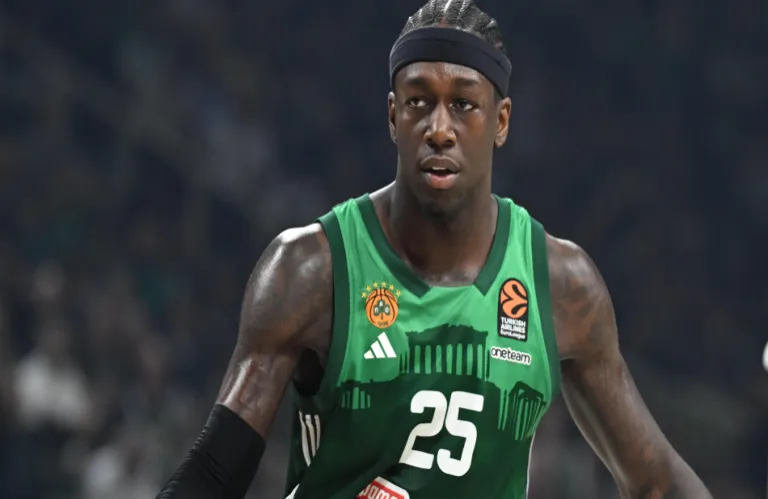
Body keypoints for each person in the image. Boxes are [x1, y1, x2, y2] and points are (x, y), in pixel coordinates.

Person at [157, 1, 712, 498]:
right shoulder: (311, 269)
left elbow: (657, 482)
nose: (439, 129)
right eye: (419, 101)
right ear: (392, 115)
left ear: (501, 121)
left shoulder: (562, 285)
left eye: (464, 104)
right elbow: (214, 473)